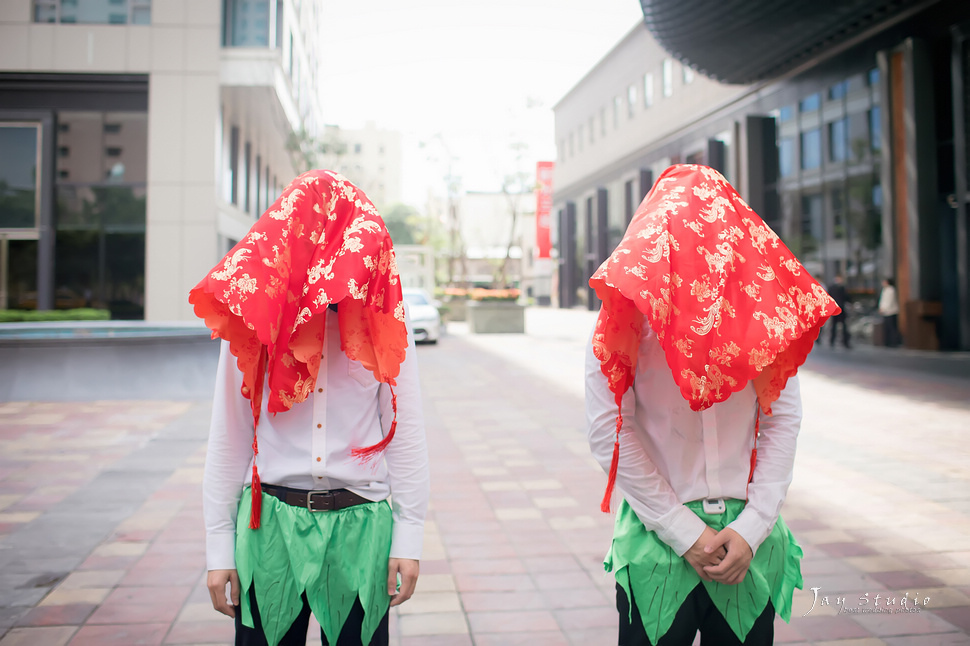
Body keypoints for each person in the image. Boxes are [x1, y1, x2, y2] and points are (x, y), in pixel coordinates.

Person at [586, 164, 839, 646]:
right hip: (656, 539)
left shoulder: (764, 317)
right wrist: (686, 533)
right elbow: (610, 433)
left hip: (749, 538)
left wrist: (753, 525)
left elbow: (782, 419)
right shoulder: (622, 322)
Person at [191, 170, 430, 646]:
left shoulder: (384, 325)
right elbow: (229, 437)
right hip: (270, 525)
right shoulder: (252, 323)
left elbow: (406, 433)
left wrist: (410, 535)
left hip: (362, 524)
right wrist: (219, 547)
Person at [826, 274, 851, 348]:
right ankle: (842, 341)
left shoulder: (834, 288)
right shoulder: (840, 288)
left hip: (837, 308)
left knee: (836, 325)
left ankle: (833, 341)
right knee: (840, 325)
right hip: (839, 308)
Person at [879, 277, 900, 347]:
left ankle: (893, 342)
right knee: (887, 328)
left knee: (892, 328)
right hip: (886, 312)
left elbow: (889, 301)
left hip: (891, 311)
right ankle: (887, 342)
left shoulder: (891, 290)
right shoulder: (885, 290)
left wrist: (883, 308)